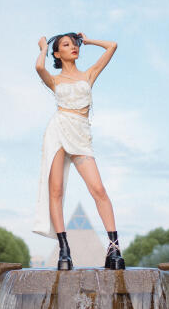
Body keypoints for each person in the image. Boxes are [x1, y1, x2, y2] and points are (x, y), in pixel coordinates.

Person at [33, 32, 125, 270]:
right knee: (56, 190)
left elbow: (112, 45)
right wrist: (43, 48)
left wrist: (89, 40)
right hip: (58, 131)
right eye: (66, 44)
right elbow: (39, 67)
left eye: (74, 44)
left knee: (98, 189)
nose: (73, 47)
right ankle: (64, 250)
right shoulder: (54, 80)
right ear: (57, 53)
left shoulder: (89, 74)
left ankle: (114, 248)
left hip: (81, 135)